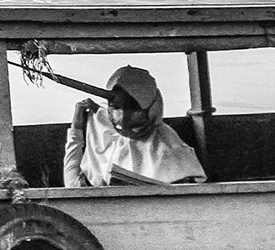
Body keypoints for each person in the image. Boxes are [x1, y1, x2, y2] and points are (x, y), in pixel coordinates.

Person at [63, 66, 207, 188]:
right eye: (116, 107)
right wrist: (76, 128)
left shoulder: (170, 151)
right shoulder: (113, 144)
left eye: (133, 108)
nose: (124, 117)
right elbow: (73, 187)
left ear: (152, 108)